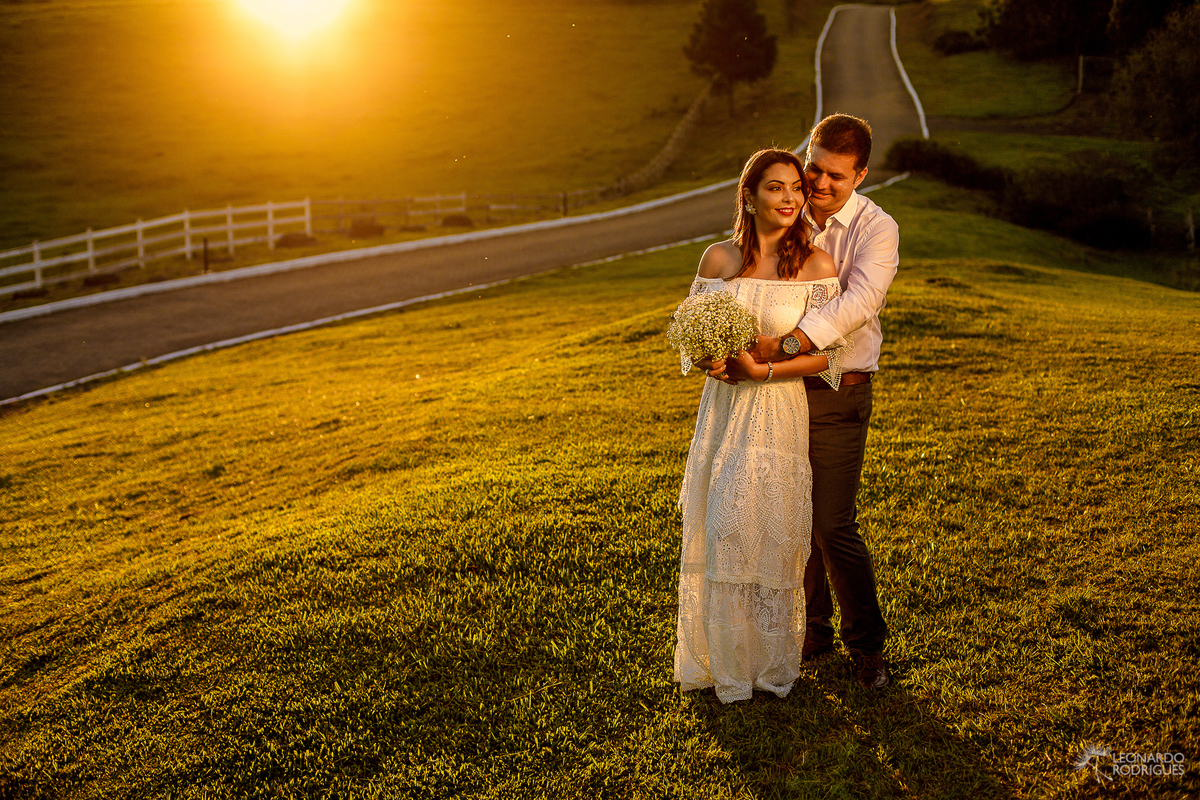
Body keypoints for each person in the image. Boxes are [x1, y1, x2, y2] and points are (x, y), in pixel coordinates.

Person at [673, 148, 851, 703]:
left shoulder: (817, 267)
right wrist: (710, 361)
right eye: (776, 188)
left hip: (778, 411)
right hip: (724, 414)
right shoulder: (718, 260)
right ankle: (722, 661)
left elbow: (829, 357)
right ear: (749, 197)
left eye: (796, 188)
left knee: (766, 532)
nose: (791, 198)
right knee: (723, 525)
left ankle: (769, 663)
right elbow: (692, 335)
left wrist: (763, 368)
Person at [746, 114, 899, 689]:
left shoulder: (878, 229)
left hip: (840, 391)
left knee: (833, 525)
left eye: (836, 175)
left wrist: (785, 342)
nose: (819, 183)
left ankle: (868, 648)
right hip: (777, 390)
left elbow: (857, 302)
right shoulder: (786, 211)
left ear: (860, 174)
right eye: (814, 168)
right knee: (791, 517)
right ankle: (813, 633)